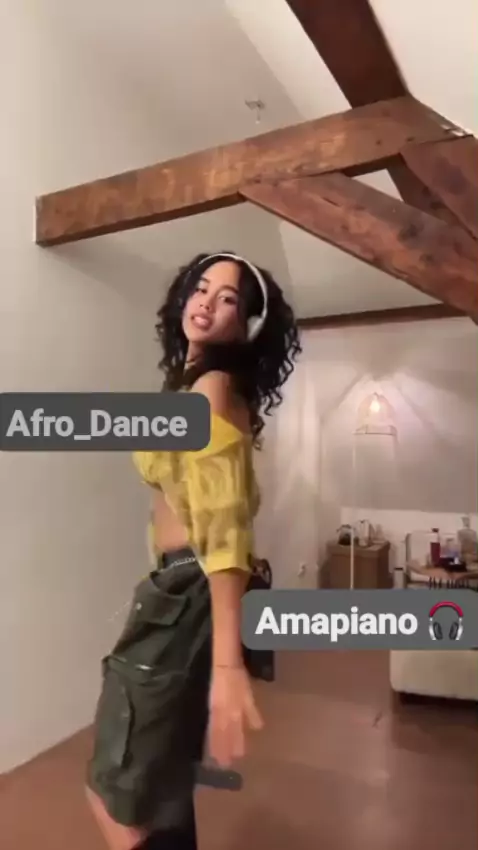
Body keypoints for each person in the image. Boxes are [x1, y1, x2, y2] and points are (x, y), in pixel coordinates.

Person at [85, 251, 301, 849]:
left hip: (190, 591)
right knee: (164, 785)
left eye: (227, 298)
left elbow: (225, 526)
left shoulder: (211, 389)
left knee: (115, 793)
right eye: (200, 288)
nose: (206, 303)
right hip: (177, 590)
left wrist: (227, 667)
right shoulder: (193, 384)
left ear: (246, 325)